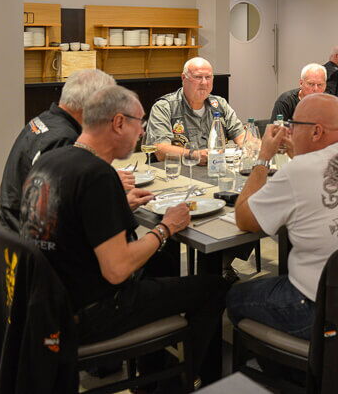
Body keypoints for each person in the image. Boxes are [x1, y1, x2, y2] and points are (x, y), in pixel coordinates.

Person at [20, 85, 228, 384]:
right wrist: (166, 227)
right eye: (139, 123)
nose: (142, 133)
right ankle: (182, 384)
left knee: (162, 262)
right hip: (86, 313)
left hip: (45, 304)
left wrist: (117, 206)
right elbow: (117, 270)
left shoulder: (51, 159)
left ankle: (154, 377)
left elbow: (73, 221)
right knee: (215, 287)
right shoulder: (98, 175)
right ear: (118, 123)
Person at [227, 93, 338, 339]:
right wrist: (300, 155)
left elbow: (245, 220)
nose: (290, 131)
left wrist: (263, 158)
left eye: (294, 125)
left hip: (323, 309)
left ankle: (280, 361)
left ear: (316, 131)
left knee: (235, 295)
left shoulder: (297, 171)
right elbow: (324, 174)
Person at [0, 69, 149, 233]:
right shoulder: (64, 141)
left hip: (10, 227)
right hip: (28, 236)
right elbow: (66, 217)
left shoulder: (45, 120)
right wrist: (121, 204)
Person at [148, 57, 245, 165]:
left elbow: (241, 137)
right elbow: (160, 150)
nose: (204, 82)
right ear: (184, 78)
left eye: (208, 77)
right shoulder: (164, 107)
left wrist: (252, 146)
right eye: (198, 77)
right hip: (176, 171)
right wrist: (194, 155)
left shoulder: (220, 104)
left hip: (215, 169)